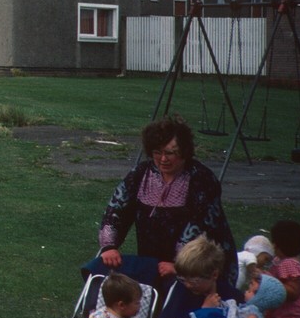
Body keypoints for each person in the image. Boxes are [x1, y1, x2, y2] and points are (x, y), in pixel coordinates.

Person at [97, 115, 236, 284]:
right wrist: (109, 247)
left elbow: (200, 227)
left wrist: (180, 265)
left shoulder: (202, 180)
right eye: (157, 152)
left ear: (184, 152)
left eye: (170, 153)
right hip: (152, 263)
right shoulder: (140, 174)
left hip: (197, 267)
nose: (163, 159)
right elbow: (117, 208)